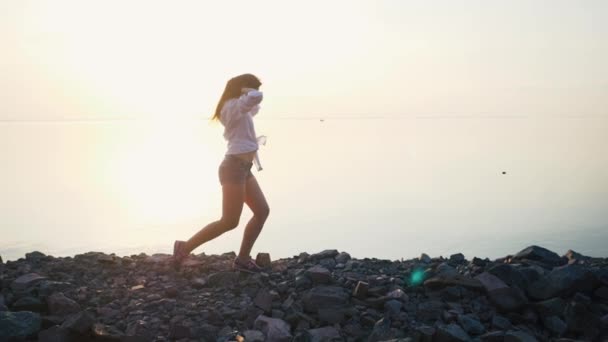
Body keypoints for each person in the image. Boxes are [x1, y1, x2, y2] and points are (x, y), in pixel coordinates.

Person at [173, 74, 270, 273]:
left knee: (262, 211)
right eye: (252, 87)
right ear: (242, 89)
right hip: (233, 168)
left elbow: (255, 103)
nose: (257, 90)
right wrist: (245, 89)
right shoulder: (232, 107)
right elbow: (255, 97)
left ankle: (242, 260)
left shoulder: (240, 108)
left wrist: (245, 90)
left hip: (243, 169)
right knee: (229, 221)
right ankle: (184, 247)